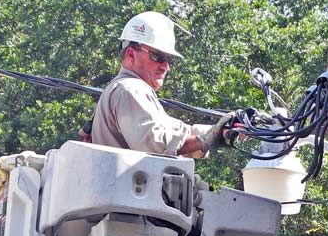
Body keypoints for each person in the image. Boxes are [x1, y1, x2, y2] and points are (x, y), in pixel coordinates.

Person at [86, 11, 232, 158]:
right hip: (131, 181)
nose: (166, 67)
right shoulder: (131, 89)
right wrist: (207, 139)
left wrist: (220, 130)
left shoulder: (125, 90)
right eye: (157, 57)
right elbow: (157, 144)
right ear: (130, 55)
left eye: (169, 60)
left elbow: (177, 132)